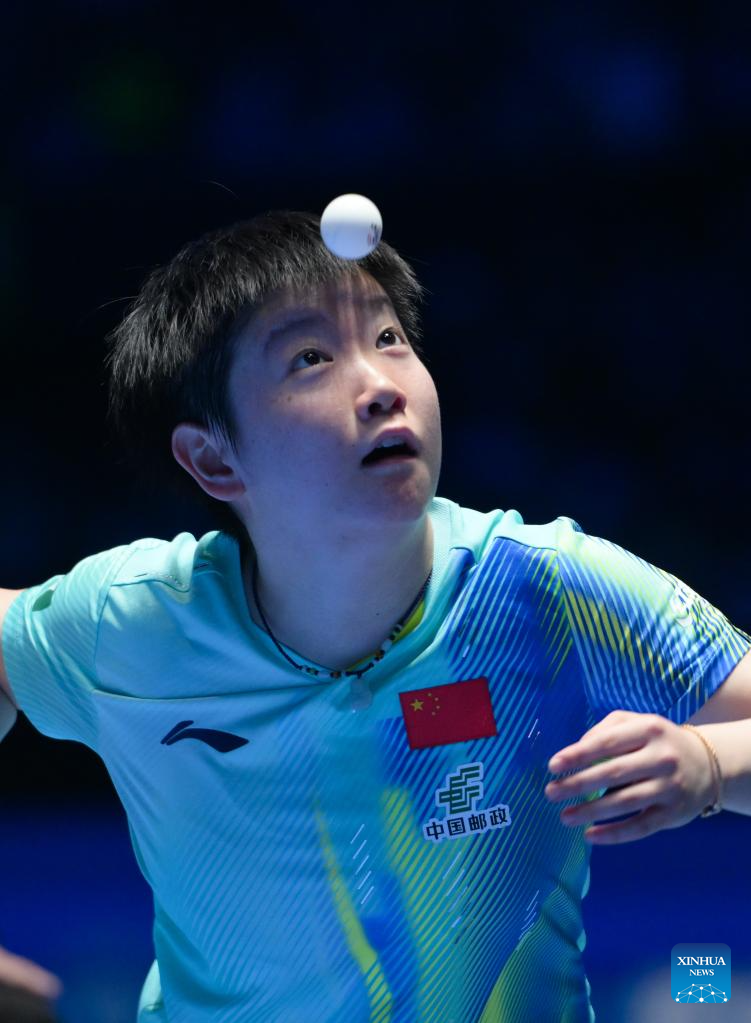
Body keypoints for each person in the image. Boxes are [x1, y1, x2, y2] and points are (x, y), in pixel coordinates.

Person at [1, 210, 750, 1023]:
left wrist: (709, 762)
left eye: (389, 338)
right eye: (310, 358)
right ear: (213, 457)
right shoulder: (135, 621)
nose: (381, 384)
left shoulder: (547, 588)